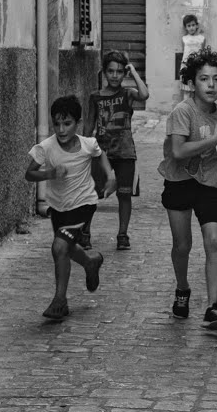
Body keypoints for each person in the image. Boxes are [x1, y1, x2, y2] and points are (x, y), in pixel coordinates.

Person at [157, 46, 217, 330]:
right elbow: (178, 151)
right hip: (178, 181)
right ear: (192, 82)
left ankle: (213, 307)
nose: (211, 85)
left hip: (208, 182)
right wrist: (213, 140)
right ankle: (182, 288)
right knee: (183, 245)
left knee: (214, 241)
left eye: (216, 79)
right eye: (204, 79)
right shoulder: (183, 111)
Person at [24, 95, 118, 320]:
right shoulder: (46, 147)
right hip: (58, 207)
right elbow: (29, 174)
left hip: (84, 203)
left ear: (78, 123)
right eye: (56, 124)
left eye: (67, 124)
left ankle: (60, 301)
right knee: (66, 247)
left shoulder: (87, 144)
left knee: (59, 247)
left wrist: (110, 176)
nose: (61, 129)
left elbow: (100, 154)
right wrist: (50, 173)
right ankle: (90, 261)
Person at [84, 50, 149, 251]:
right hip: (101, 152)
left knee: (124, 194)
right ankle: (85, 232)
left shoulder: (127, 94)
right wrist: (85, 149)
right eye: (111, 71)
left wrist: (134, 72)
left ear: (124, 74)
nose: (114, 75)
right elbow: (89, 125)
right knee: (92, 193)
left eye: (119, 71)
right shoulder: (95, 97)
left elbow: (145, 95)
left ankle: (122, 234)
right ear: (104, 72)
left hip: (125, 152)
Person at [178, 14, 206, 101]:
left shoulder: (202, 38)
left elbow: (202, 52)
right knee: (186, 89)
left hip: (197, 66)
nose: (191, 28)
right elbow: (184, 52)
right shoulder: (184, 38)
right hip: (186, 65)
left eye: (193, 25)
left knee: (197, 88)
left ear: (197, 25)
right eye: (189, 26)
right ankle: (186, 106)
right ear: (185, 27)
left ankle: (196, 106)